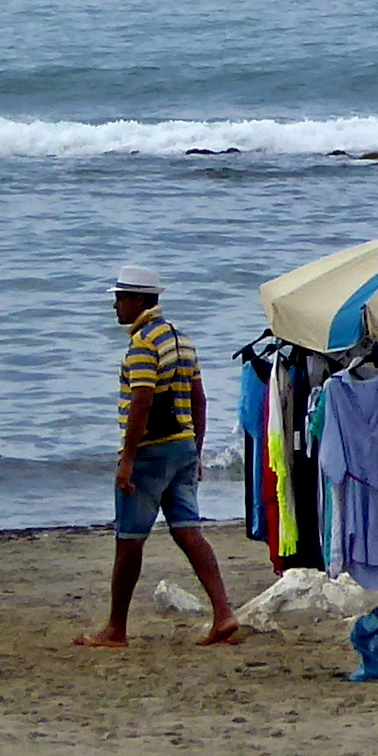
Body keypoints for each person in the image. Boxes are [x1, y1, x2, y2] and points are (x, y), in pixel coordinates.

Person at [74, 265, 242, 648]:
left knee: (129, 540)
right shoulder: (181, 339)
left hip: (152, 451)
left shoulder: (143, 345)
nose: (115, 306)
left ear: (137, 300)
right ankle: (223, 613)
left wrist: (128, 459)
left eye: (120, 298)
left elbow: (142, 401)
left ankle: (116, 628)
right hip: (182, 445)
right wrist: (195, 451)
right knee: (189, 531)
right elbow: (199, 399)